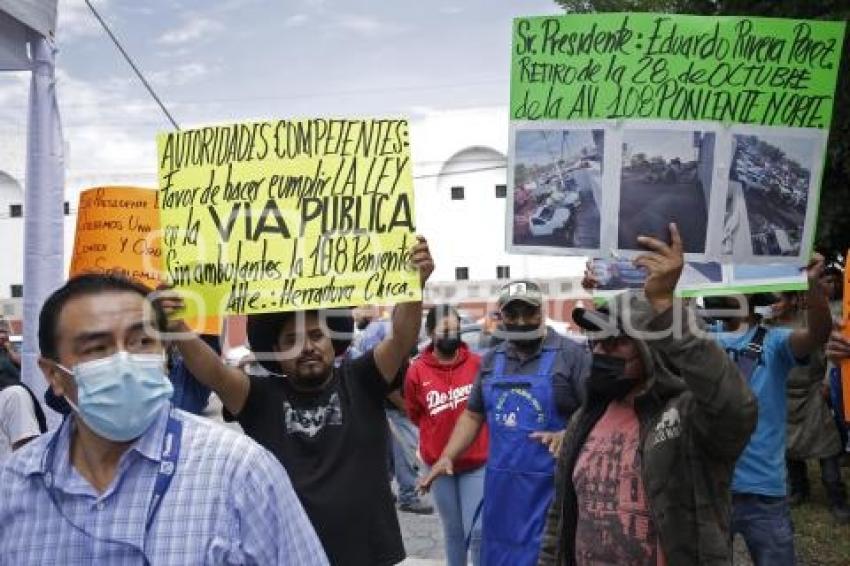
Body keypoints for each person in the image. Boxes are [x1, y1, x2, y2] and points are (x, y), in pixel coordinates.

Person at [0, 274, 327, 564]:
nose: (125, 361)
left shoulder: (240, 472)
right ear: (54, 375)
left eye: (142, 342)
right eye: (97, 348)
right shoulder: (13, 486)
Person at [161, 236, 435, 565]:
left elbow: (402, 336)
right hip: (290, 556)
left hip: (372, 557)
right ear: (276, 352)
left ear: (334, 342)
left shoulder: (363, 379)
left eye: (316, 335)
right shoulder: (259, 399)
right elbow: (214, 372)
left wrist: (414, 286)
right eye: (292, 339)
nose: (306, 347)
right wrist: (176, 324)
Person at [539, 222, 757, 565]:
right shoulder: (585, 417)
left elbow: (736, 407)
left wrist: (664, 307)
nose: (601, 351)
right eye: (598, 341)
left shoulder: (686, 415)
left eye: (617, 341)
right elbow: (560, 517)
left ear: (650, 349)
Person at [420, 278, 591, 566]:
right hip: (501, 494)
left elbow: (596, 412)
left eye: (530, 312)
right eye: (513, 314)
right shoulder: (491, 361)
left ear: (543, 311)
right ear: (502, 316)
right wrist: (448, 456)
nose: (522, 321)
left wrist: (568, 432)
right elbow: (473, 414)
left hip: (551, 494)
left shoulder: (571, 356)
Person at [706, 258, 832, 565]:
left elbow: (818, 333)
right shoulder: (702, 341)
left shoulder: (775, 341)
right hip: (710, 488)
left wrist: (812, 286)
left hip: (764, 490)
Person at [405, 305, 488, 566]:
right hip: (438, 466)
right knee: (454, 533)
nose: (452, 334)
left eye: (456, 329)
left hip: (476, 462)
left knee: (477, 531)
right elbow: (414, 413)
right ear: (431, 333)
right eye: (445, 330)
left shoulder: (477, 364)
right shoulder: (417, 370)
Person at [772, 292, 850, 523]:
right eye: (770, 301)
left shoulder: (812, 321)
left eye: (778, 300)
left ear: (792, 300)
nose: (773, 305)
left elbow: (834, 347)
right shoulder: (766, 327)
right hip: (782, 395)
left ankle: (837, 498)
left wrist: (827, 379)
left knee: (827, 450)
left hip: (813, 392)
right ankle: (799, 489)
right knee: (790, 449)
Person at [350, 305, 432, 514]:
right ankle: (408, 496)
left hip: (392, 408)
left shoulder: (397, 338)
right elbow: (386, 385)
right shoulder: (386, 337)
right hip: (395, 409)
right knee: (405, 453)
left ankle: (389, 493)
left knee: (389, 455)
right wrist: (405, 406)